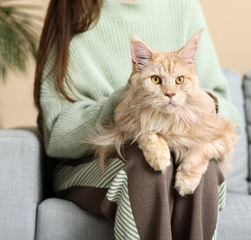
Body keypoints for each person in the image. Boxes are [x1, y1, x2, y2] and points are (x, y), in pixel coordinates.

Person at [33, 0, 240, 239]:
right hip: (89, 161)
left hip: (184, 136)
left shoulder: (183, 6)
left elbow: (230, 115)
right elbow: (58, 137)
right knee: (146, 166)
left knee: (203, 170)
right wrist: (127, 104)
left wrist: (201, 104)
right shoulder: (74, 9)